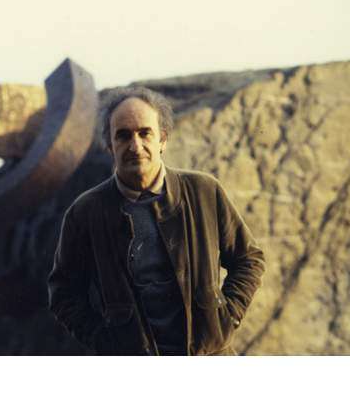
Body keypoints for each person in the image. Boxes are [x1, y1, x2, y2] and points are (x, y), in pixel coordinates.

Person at [48, 86, 264, 355]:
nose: (135, 146)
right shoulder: (86, 212)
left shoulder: (204, 191)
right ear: (110, 145)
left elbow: (249, 259)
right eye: (123, 136)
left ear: (162, 139)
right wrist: (104, 342)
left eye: (144, 133)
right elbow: (63, 292)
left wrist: (225, 320)